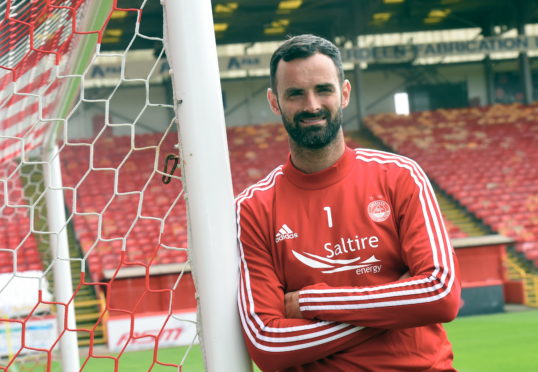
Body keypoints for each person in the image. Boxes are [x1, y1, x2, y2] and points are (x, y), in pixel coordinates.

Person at [235, 34, 461, 372]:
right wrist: (398, 304)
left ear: (344, 93)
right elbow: (269, 343)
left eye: (323, 90)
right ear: (274, 102)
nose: (311, 105)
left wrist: (312, 301)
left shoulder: (400, 176)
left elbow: (440, 294)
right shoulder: (253, 208)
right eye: (295, 93)